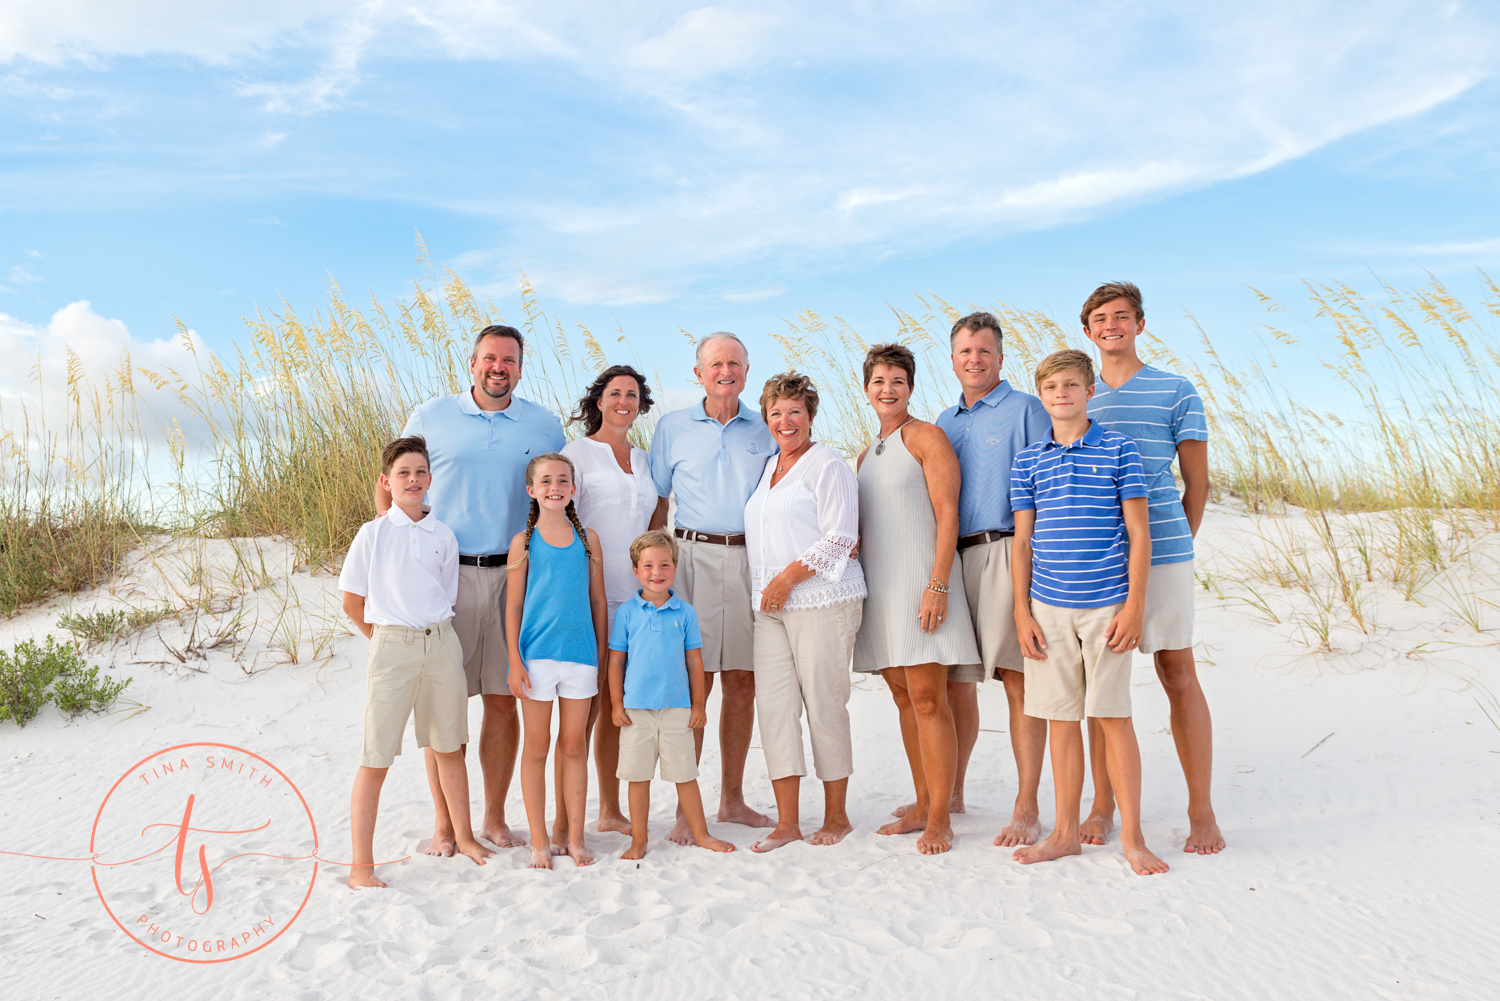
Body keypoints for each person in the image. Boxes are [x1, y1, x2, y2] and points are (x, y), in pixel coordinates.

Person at [378, 324, 565, 855]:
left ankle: (493, 817)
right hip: (446, 575)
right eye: (489, 358)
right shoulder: (432, 416)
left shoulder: (545, 425)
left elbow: (560, 493)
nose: (498, 367)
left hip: (516, 577)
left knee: (505, 702)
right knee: (446, 706)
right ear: (473, 363)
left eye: (508, 359)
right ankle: (445, 824)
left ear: (521, 368)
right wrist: (399, 548)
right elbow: (392, 481)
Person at [1009, 350, 1168, 876]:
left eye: (1072, 385)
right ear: (1043, 394)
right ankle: (1062, 833)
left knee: (1113, 717)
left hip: (1108, 606)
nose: (1062, 394)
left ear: (1089, 391)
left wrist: (1135, 606)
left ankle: (1134, 838)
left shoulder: (1119, 450)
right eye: (1052, 386)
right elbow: (1022, 542)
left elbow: (1140, 533)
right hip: (1048, 607)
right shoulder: (1029, 460)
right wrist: (1022, 612)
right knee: (1060, 721)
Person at [1080, 281, 1223, 854]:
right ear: (1087, 330)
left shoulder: (1175, 390)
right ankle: (1101, 804)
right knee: (1100, 685)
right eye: (1100, 318)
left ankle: (1202, 811)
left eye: (1121, 316)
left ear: (1140, 324)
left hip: (1162, 551)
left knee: (1177, 674)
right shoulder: (1076, 394)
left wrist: (1171, 551)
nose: (1111, 325)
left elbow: (1198, 482)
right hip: (1094, 557)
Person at [341, 436, 492, 888]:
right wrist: (386, 641)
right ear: (387, 482)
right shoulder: (372, 533)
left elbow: (445, 594)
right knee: (376, 757)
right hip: (392, 648)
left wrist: (428, 640)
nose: (412, 480)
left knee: (448, 746)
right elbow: (352, 602)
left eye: (420, 472)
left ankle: (464, 837)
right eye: (403, 473)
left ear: (430, 479)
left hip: (442, 644)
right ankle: (360, 867)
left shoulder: (443, 534)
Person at [852, 344, 980, 856]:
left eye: (898, 380)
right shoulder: (864, 455)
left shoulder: (927, 436)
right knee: (904, 698)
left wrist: (938, 584)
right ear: (866, 389)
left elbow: (947, 513)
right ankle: (924, 801)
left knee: (930, 699)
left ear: (911, 387)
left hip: (924, 586)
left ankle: (941, 817)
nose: (888, 389)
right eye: (879, 380)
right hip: (880, 590)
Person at [648, 332, 777, 842]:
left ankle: (732, 799)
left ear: (746, 370)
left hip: (751, 558)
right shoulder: (672, 427)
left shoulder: (764, 427)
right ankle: (687, 808)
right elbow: (658, 502)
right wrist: (655, 573)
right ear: (698, 372)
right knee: (692, 683)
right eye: (716, 363)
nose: (726, 371)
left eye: (736, 363)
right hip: (691, 559)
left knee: (742, 682)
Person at [932, 312, 1052, 847]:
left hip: (1009, 551)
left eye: (984, 351)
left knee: (1017, 678)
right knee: (957, 680)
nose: (974, 360)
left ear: (1000, 358)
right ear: (953, 359)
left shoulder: (1027, 408)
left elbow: (1049, 480)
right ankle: (952, 791)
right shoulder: (944, 420)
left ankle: (1026, 805)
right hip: (956, 560)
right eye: (965, 351)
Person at [744, 373, 866, 853]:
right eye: (775, 413)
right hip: (769, 606)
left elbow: (841, 536)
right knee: (774, 710)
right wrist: (770, 589)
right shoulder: (769, 465)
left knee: (825, 705)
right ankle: (788, 822)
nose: (784, 421)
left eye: (794, 411)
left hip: (821, 599)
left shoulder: (827, 463)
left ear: (810, 415)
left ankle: (837, 816)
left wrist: (786, 580)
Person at [562, 365, 661, 836]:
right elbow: (559, 520)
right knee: (588, 701)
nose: (624, 401)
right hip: (592, 596)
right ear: (598, 400)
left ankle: (609, 808)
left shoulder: (645, 461)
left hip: (639, 599)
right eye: (615, 393)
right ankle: (568, 813)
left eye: (633, 395)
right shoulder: (576, 454)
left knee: (618, 702)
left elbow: (657, 519)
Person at [505, 453, 608, 869]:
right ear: (532, 490)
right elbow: (513, 607)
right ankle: (540, 841)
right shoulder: (523, 542)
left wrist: (600, 655)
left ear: (573, 489)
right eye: (546, 481)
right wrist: (515, 660)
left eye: (562, 480)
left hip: (580, 658)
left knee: (573, 745)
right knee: (536, 746)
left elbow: (598, 600)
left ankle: (577, 839)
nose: (555, 487)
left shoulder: (589, 540)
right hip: (536, 660)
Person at [608, 530, 736, 859]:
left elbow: (695, 662)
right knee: (637, 778)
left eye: (664, 565)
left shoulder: (685, 613)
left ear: (675, 568)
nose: (657, 573)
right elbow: (616, 661)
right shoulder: (626, 613)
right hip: (636, 712)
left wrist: (698, 704)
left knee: (685, 775)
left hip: (678, 709)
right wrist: (616, 703)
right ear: (636, 571)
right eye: (648, 566)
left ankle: (702, 833)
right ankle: (639, 840)